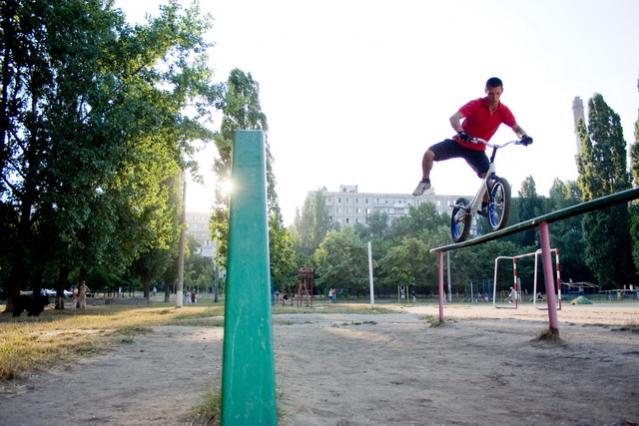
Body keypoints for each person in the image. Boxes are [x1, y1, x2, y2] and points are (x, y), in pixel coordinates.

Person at [412, 77, 532, 197]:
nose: (494, 98)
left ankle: (485, 205)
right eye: (491, 94)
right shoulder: (476, 104)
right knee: (429, 154)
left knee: (489, 178)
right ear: (486, 90)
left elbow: (516, 128)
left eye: (497, 94)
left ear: (502, 91)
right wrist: (461, 132)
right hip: (459, 143)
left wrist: (524, 136)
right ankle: (425, 181)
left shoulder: (504, 111)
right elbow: (454, 118)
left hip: (477, 150)